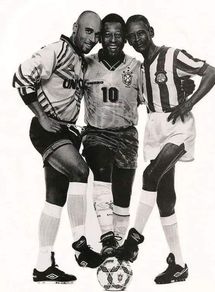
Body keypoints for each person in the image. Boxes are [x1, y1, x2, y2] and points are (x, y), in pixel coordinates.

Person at [79, 13, 195, 261]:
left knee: (124, 195)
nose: (112, 40)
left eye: (118, 36)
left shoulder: (136, 67)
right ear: (100, 38)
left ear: (124, 40)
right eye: (107, 35)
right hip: (97, 133)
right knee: (101, 169)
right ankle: (107, 238)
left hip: (127, 137)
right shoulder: (85, 64)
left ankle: (119, 249)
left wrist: (187, 89)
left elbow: (158, 91)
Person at [116, 14, 215, 285]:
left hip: (177, 127)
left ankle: (133, 241)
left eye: (140, 33)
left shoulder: (173, 55)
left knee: (150, 176)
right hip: (154, 128)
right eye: (131, 37)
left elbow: (212, 72)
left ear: (150, 31)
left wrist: (189, 103)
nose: (136, 39)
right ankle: (179, 264)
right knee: (165, 199)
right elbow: (142, 96)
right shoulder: (139, 69)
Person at [12, 10, 103, 284]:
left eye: (97, 35)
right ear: (75, 27)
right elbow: (21, 75)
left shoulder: (81, 61)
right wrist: (41, 115)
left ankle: (43, 266)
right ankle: (80, 245)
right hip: (47, 130)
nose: (93, 39)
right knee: (80, 170)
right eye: (88, 31)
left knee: (55, 198)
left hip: (67, 132)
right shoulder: (57, 50)